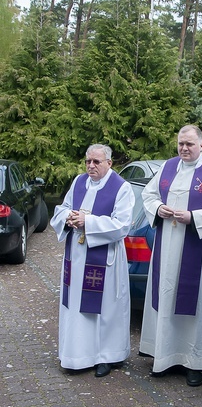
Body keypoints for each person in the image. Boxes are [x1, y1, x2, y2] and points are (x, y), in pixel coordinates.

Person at [139, 125, 202, 387]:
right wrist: (158, 208)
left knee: (200, 304)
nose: (184, 148)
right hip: (168, 246)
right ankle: (165, 356)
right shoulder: (168, 167)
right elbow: (148, 195)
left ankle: (197, 362)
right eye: (181, 143)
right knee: (167, 297)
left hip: (200, 249)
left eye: (190, 144)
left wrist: (194, 218)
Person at [51, 144, 135, 377]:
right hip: (76, 257)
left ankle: (106, 356)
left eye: (96, 162)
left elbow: (122, 224)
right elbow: (63, 208)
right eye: (88, 161)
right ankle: (76, 354)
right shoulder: (79, 182)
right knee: (76, 305)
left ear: (109, 163)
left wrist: (88, 221)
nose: (91, 165)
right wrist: (68, 216)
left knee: (105, 309)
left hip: (104, 259)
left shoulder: (121, 188)